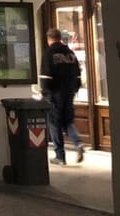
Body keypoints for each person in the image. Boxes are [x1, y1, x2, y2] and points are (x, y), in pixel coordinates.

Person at [40, 27, 84, 166]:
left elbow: (46, 75)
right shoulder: (70, 53)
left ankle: (60, 156)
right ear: (60, 38)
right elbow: (77, 73)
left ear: (49, 39)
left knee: (54, 123)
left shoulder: (49, 53)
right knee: (68, 121)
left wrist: (44, 91)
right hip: (69, 92)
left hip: (54, 92)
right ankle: (78, 143)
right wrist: (74, 89)